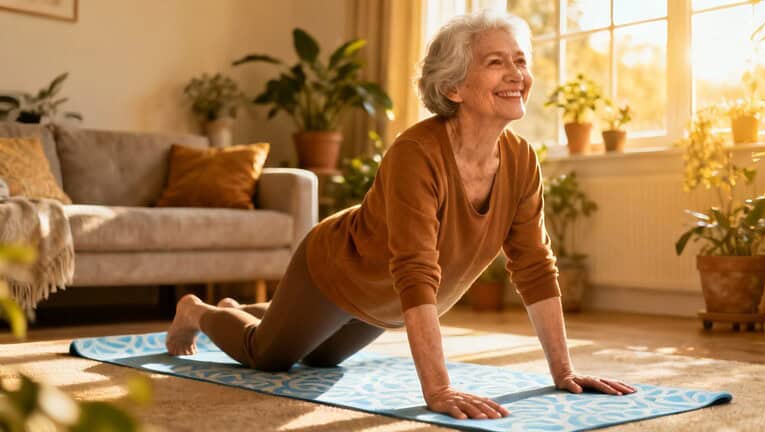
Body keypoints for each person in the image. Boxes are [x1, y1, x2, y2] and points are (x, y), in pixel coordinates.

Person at [166, 11, 637, 420]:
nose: (516, 74)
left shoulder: (521, 160)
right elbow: (414, 269)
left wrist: (564, 371)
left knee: (323, 361)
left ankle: (246, 311)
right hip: (335, 271)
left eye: (520, 61)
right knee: (268, 355)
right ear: (453, 86)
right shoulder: (416, 153)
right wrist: (438, 389)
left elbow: (534, 265)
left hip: (385, 302)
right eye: (496, 62)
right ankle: (201, 311)